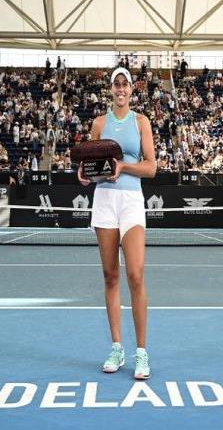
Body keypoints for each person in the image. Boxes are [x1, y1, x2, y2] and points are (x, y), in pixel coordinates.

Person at [77, 67, 156, 380]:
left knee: (135, 274)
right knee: (111, 276)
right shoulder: (99, 123)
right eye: (116, 84)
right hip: (105, 202)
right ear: (111, 89)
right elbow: (90, 166)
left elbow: (151, 167)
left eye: (125, 84)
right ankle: (116, 347)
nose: (120, 89)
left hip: (132, 201)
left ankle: (142, 352)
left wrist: (123, 166)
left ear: (131, 89)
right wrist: (84, 176)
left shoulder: (141, 122)